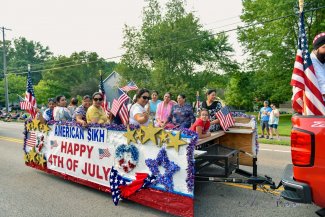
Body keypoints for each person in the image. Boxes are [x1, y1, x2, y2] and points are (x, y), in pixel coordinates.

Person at [311, 32, 325, 100]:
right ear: (316, 48)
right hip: (316, 105)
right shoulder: (309, 63)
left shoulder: (323, 61)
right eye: (324, 47)